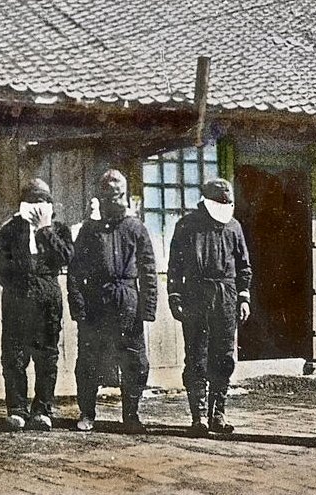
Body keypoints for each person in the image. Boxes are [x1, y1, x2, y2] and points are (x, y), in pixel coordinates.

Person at [67, 169, 157, 433]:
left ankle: (131, 414)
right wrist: (78, 306)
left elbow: (149, 270)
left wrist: (148, 308)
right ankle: (87, 412)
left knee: (134, 360)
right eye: (108, 198)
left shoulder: (136, 228)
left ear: (125, 196)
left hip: (128, 301)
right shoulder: (89, 230)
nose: (114, 203)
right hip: (97, 301)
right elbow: (75, 271)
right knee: (89, 360)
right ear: (100, 199)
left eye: (118, 197)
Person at [167, 178, 252, 437]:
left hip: (226, 297)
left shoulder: (234, 227)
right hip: (196, 296)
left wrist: (243, 296)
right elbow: (175, 266)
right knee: (196, 357)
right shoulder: (187, 226)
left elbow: (243, 265)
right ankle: (199, 416)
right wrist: (175, 296)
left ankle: (218, 413)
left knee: (224, 357)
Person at [0, 179, 73, 431]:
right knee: (14, 356)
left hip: (47, 302)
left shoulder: (60, 230)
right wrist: (21, 282)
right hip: (17, 300)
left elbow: (65, 258)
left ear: (50, 204)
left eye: (42, 201)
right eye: (32, 201)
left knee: (46, 357)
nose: (37, 206)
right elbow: (1, 271)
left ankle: (42, 410)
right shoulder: (9, 230)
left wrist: (44, 230)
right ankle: (17, 409)